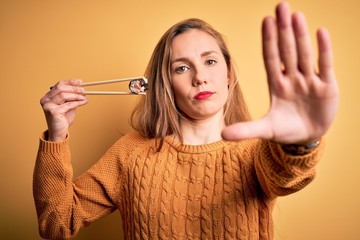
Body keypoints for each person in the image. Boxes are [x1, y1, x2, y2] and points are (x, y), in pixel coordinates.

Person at [33, 2, 339, 239]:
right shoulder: (130, 153)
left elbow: (287, 175)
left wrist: (303, 140)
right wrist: (56, 135)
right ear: (165, 82)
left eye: (210, 61)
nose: (200, 77)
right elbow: (57, 222)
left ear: (229, 74)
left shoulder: (256, 152)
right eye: (182, 68)